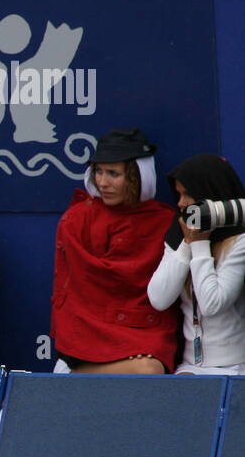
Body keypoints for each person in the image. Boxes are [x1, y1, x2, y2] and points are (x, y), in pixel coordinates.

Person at [51, 127, 177, 374]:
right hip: (85, 332)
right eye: (98, 171)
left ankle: (78, 376)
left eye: (113, 173)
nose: (102, 182)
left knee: (149, 370)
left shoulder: (166, 222)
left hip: (145, 329)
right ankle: (75, 373)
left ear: (137, 176)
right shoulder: (77, 219)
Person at [147, 154, 245, 374]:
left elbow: (212, 304)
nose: (181, 204)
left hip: (235, 368)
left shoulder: (240, 241)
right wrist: (186, 244)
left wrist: (200, 245)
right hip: (190, 367)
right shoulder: (179, 233)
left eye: (188, 195)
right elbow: (159, 299)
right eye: (178, 195)